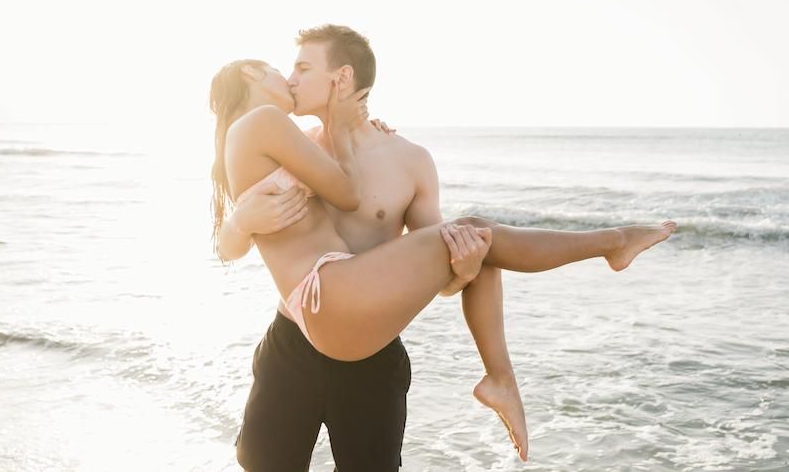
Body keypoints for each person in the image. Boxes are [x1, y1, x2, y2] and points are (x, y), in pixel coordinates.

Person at [210, 26, 677, 471]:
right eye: (289, 68)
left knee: (474, 240)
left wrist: (465, 269)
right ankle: (604, 251)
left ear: (342, 77)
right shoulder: (293, 144)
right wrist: (237, 222)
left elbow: (443, 281)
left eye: (303, 69)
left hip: (367, 342)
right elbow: (231, 245)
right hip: (296, 337)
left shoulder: (409, 160)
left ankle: (502, 376)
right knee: (266, 465)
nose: (291, 79)